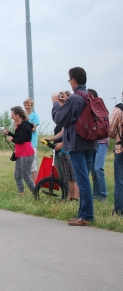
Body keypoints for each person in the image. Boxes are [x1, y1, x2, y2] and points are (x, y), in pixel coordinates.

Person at [52, 67, 97, 226]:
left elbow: (59, 118)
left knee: (82, 180)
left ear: (74, 81)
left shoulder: (75, 99)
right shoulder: (88, 96)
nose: (70, 82)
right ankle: (81, 214)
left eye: (70, 80)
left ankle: (86, 216)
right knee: (84, 179)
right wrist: (66, 102)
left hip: (77, 144)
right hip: (91, 142)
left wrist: (56, 104)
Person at [1, 106, 35, 195]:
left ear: (18, 114)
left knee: (26, 176)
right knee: (17, 175)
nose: (11, 117)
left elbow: (21, 140)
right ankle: (21, 193)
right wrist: (8, 133)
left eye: (12, 114)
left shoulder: (24, 125)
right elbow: (18, 137)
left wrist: (12, 140)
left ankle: (36, 193)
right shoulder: (20, 126)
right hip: (20, 154)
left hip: (26, 153)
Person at [87, 89, 109, 202]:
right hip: (92, 142)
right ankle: (96, 195)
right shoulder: (88, 109)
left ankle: (103, 195)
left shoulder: (100, 108)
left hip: (101, 142)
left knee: (98, 168)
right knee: (93, 171)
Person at [109, 94, 123, 216]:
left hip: (121, 148)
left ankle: (119, 211)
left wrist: (117, 137)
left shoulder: (118, 110)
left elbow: (110, 130)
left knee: (120, 182)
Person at [23, 98, 40, 183]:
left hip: (32, 143)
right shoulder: (23, 116)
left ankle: (35, 184)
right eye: (25, 105)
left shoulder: (35, 116)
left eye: (28, 105)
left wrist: (25, 127)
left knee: (33, 165)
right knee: (26, 165)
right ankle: (30, 184)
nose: (27, 107)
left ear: (31, 106)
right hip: (24, 143)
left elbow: (33, 129)